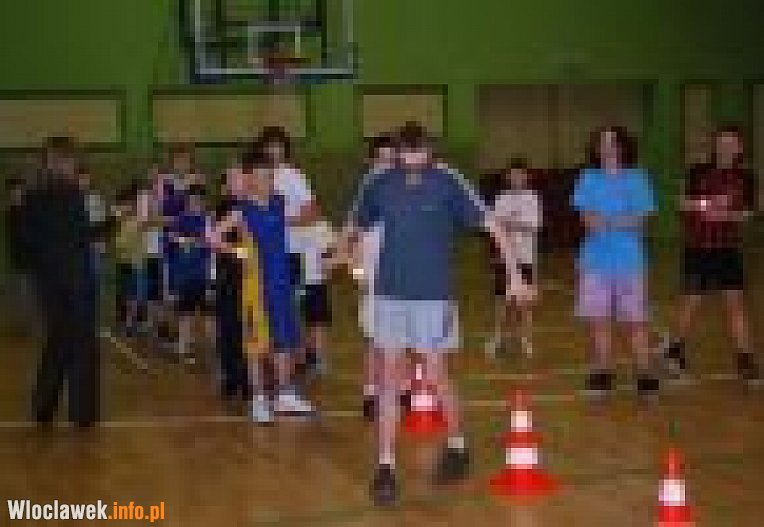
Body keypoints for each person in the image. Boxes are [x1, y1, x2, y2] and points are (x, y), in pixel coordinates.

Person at [349, 124, 514, 506]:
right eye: (406, 153)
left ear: (430, 151)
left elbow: (491, 224)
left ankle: (457, 444)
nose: (412, 160)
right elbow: (356, 224)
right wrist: (349, 255)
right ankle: (385, 465)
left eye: (419, 153)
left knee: (436, 373)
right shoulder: (379, 184)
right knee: (389, 378)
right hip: (389, 294)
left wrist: (515, 275)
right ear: (397, 152)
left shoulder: (447, 182)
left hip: (433, 297)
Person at [210, 151, 314, 423]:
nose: (265, 182)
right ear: (249, 180)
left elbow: (303, 216)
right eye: (259, 177)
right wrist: (238, 251)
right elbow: (213, 237)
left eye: (268, 177)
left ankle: (284, 394)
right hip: (255, 287)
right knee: (256, 344)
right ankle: (258, 398)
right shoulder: (241, 210)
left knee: (284, 340)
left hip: (281, 282)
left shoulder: (279, 202)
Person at [662, 125, 759, 384]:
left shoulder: (746, 177)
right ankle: (675, 351)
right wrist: (708, 203)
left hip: (728, 250)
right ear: (715, 145)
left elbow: (748, 213)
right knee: (690, 303)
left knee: (736, 305)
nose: (726, 148)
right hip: (698, 248)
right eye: (722, 143)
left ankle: (745, 358)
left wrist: (728, 215)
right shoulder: (697, 171)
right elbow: (682, 203)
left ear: (739, 149)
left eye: (731, 144)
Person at [19, 137, 101, 427]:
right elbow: (81, 236)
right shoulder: (73, 194)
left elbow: (25, 245)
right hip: (76, 282)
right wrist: (113, 223)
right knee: (83, 345)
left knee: (56, 342)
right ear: (66, 161)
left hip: (47, 284)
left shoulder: (30, 197)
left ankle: (43, 409)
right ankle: (82, 414)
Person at [572, 126, 658, 399]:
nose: (607, 147)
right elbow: (588, 221)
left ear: (623, 146)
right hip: (594, 261)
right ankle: (602, 373)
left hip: (630, 261)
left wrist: (608, 221)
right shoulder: (588, 178)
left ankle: (645, 374)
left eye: (612, 142)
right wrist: (620, 220)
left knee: (636, 322)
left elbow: (640, 223)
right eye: (602, 142)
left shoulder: (638, 178)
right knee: (598, 322)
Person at [487, 158, 542, 358]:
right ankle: (498, 338)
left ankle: (525, 339)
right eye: (513, 175)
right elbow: (494, 226)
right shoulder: (501, 199)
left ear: (526, 177)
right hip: (504, 258)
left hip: (526, 258)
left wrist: (510, 224)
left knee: (523, 302)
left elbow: (534, 226)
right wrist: (504, 227)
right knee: (502, 301)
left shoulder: (533, 198)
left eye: (520, 175)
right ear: (507, 177)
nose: (516, 178)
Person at [165, 184, 215, 362]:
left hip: (203, 274)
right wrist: (185, 240)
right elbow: (171, 237)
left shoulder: (208, 220)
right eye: (192, 199)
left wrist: (197, 242)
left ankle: (215, 350)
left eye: (198, 200)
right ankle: (182, 348)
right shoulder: (181, 219)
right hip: (186, 274)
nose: (195, 203)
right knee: (186, 313)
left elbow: (211, 243)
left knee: (209, 315)